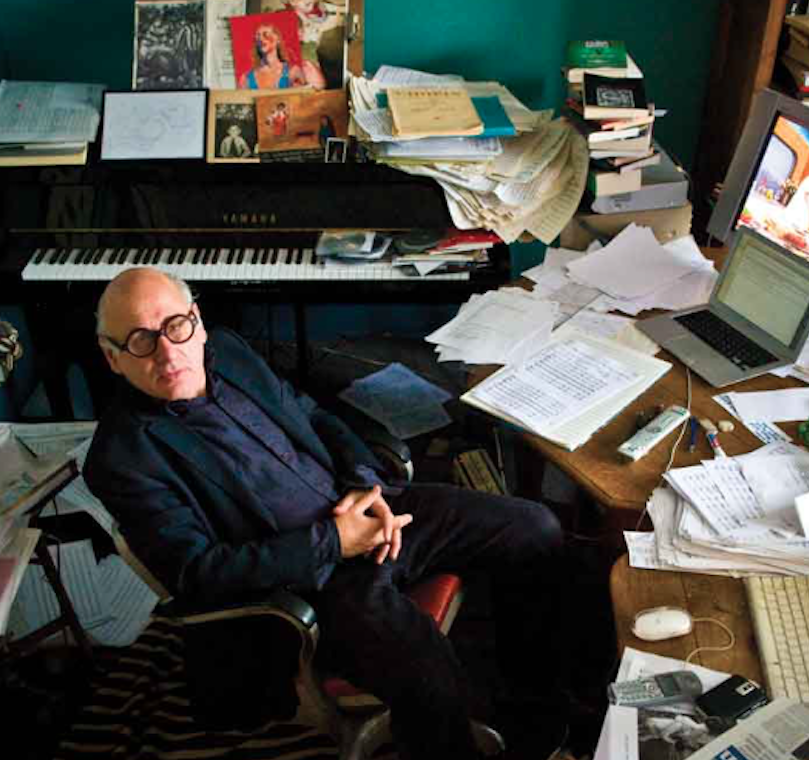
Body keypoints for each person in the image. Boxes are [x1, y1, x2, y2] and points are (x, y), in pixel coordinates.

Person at [83, 268, 571, 760]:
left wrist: (364, 482)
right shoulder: (121, 458)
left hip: (368, 506)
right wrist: (335, 540)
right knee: (425, 669)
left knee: (535, 528)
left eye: (175, 327)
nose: (169, 353)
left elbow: (313, 415)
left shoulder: (227, 350)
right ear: (112, 357)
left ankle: (528, 705)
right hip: (312, 581)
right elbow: (198, 572)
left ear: (197, 321)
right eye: (141, 341)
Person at [283, 0, 337, 90]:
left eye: (312, 3)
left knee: (318, 85)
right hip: (301, 58)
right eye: (307, 3)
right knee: (316, 84)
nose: (311, 7)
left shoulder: (310, 18)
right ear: (293, 1)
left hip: (311, 57)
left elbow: (319, 27)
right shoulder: (291, 18)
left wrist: (316, 32)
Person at [239, 22, 306, 90]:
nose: (261, 39)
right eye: (258, 36)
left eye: (266, 35)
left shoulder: (293, 72)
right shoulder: (246, 79)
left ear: (278, 39)